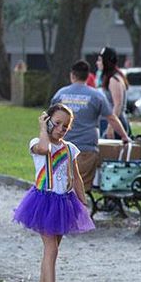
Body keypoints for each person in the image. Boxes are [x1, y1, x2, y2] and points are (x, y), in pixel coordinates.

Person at [13, 105, 95, 282]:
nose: (60, 129)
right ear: (47, 120)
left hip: (64, 203)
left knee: (53, 250)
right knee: (51, 249)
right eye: (56, 123)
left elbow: (76, 177)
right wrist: (42, 127)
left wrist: (82, 203)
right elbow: (45, 150)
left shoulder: (70, 148)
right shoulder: (37, 143)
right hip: (43, 202)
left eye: (65, 126)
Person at [50, 60, 131, 196]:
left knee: (60, 186)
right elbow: (111, 117)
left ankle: (62, 214)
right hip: (86, 148)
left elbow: (50, 119)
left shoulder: (60, 94)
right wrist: (124, 136)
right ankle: (77, 214)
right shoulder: (96, 96)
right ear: (88, 76)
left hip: (61, 148)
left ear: (72, 75)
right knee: (80, 188)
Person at [97, 47, 130, 137]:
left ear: (106, 62)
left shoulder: (114, 79)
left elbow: (118, 105)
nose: (97, 63)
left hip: (115, 124)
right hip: (108, 121)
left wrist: (111, 127)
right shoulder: (108, 78)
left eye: (100, 60)